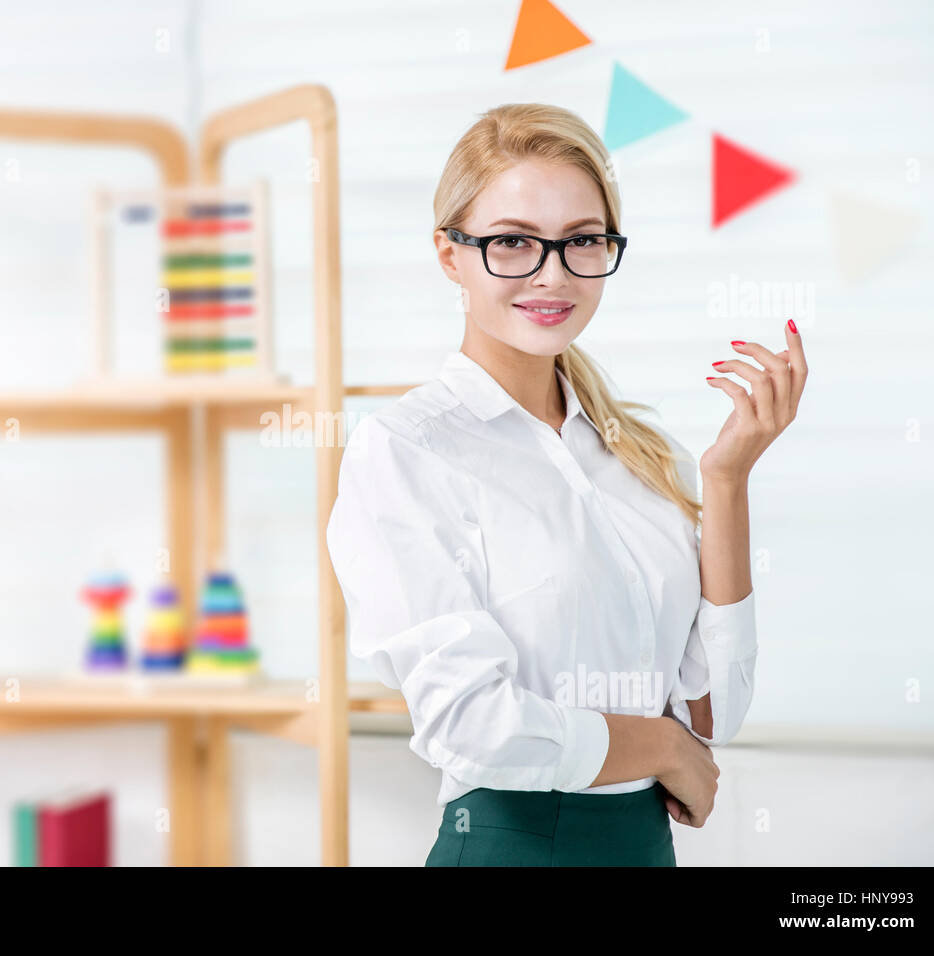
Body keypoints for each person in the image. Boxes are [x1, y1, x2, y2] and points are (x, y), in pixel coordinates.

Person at [325, 103, 806, 866]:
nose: (552, 274)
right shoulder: (406, 451)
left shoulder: (643, 455)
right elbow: (473, 725)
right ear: (451, 254)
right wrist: (658, 747)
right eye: (513, 241)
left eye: (582, 240)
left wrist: (727, 481)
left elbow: (711, 716)